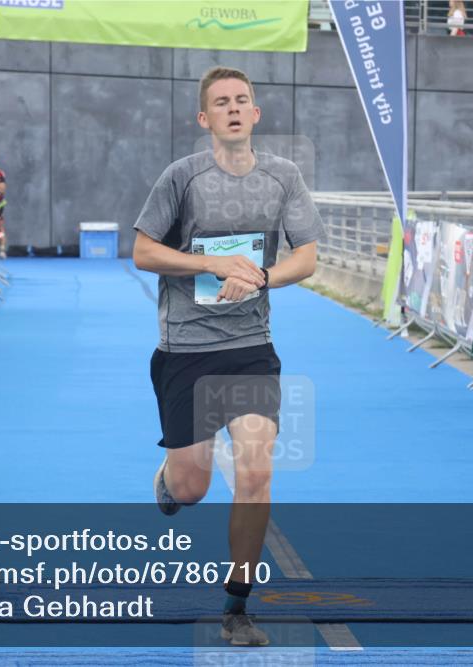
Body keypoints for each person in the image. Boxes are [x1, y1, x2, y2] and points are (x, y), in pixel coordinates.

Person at [132, 66, 323, 647]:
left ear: (256, 113)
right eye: (222, 102)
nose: (234, 108)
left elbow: (309, 256)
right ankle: (169, 479)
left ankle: (237, 606)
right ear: (205, 118)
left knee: (257, 469)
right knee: (193, 488)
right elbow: (142, 251)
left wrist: (263, 275)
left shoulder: (283, 176)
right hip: (185, 349)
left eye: (243, 100)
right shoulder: (181, 177)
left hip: (249, 350)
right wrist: (210, 264)